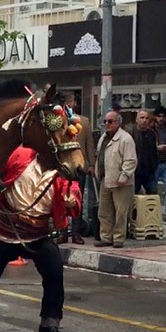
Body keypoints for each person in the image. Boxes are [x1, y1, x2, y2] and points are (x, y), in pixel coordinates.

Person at [0, 146, 81, 332]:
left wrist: (71, 201)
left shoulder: (60, 170)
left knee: (55, 271)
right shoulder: (20, 155)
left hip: (39, 234)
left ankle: (49, 323)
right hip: (7, 232)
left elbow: (72, 188)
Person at [94, 111, 137, 248]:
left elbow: (130, 160)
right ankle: (106, 237)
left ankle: (118, 238)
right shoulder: (103, 138)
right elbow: (99, 156)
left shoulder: (125, 139)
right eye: (105, 121)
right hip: (105, 179)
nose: (107, 124)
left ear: (118, 123)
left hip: (121, 182)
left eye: (110, 121)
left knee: (121, 212)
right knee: (104, 211)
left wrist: (124, 175)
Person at [56, 93, 94, 245]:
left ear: (75, 103)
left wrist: (91, 164)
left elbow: (89, 144)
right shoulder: (57, 121)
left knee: (78, 200)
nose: (69, 105)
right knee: (62, 200)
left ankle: (76, 233)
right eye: (66, 102)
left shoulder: (84, 121)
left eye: (71, 102)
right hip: (63, 166)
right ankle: (63, 232)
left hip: (80, 166)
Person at [130, 109, 159, 195]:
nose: (144, 120)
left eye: (146, 118)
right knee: (133, 196)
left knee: (153, 194)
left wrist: (154, 166)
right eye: (142, 118)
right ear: (137, 120)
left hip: (149, 170)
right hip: (135, 170)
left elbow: (153, 151)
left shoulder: (151, 134)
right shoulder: (131, 133)